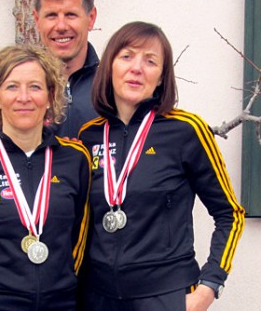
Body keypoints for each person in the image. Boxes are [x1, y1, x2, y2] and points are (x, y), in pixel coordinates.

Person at [78, 21, 245, 310]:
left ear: (161, 77)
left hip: (165, 295)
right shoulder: (88, 136)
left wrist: (209, 286)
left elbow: (230, 213)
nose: (137, 68)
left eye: (151, 61)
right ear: (110, 67)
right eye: (127, 56)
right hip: (97, 297)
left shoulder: (187, 130)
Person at [0, 45, 91, 310]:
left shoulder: (76, 159)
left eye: (35, 87)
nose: (24, 97)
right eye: (12, 87)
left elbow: (79, 241)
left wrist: (62, 286)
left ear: (50, 97)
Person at [0, 0, 98, 140]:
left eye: (71, 15)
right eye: (51, 16)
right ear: (36, 19)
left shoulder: (112, 85)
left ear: (91, 18)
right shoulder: (10, 87)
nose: (61, 26)